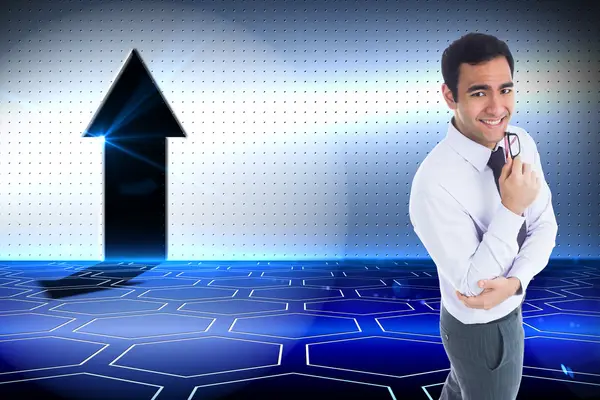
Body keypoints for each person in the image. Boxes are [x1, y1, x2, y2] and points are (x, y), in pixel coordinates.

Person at [408, 32, 558, 400]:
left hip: (508, 307)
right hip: (480, 327)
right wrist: (511, 207)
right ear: (449, 96)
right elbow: (476, 290)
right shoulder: (433, 184)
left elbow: (546, 226)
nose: (497, 108)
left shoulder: (520, 142)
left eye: (505, 90)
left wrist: (517, 281)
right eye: (479, 93)